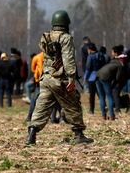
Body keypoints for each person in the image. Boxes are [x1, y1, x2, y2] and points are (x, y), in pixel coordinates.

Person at [26, 10, 93, 145]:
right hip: (60, 79)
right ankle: (79, 134)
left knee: (41, 107)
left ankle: (31, 134)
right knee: (73, 105)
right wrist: (71, 78)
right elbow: (68, 59)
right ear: (66, 23)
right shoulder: (65, 38)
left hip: (46, 79)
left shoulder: (46, 37)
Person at [96, 45, 127, 120]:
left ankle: (103, 115)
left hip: (98, 75)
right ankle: (112, 115)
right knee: (109, 96)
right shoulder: (120, 64)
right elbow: (118, 77)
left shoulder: (111, 61)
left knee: (101, 97)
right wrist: (114, 84)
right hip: (105, 77)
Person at [84, 43, 106, 114]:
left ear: (90, 49)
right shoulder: (101, 55)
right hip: (101, 76)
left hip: (92, 78)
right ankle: (104, 107)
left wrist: (85, 78)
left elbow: (88, 68)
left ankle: (91, 110)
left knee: (92, 95)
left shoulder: (90, 57)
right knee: (101, 94)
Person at [26, 52, 44, 122]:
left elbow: (33, 69)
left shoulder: (37, 57)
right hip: (51, 80)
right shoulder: (55, 56)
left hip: (39, 80)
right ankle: (56, 118)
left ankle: (29, 116)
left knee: (34, 99)